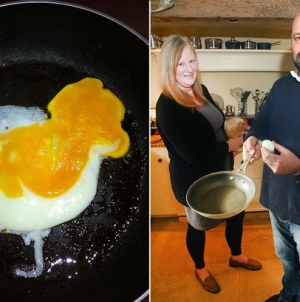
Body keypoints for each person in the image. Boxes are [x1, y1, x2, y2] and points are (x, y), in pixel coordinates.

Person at [155, 35, 262, 294]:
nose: (189, 68)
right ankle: (200, 268)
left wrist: (232, 130)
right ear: (168, 68)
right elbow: (194, 155)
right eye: (180, 64)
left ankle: (236, 255)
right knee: (198, 225)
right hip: (194, 180)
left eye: (192, 61)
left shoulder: (200, 91)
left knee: (236, 215)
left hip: (220, 170)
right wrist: (231, 145)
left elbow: (213, 124)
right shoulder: (168, 107)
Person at [243, 12, 300, 302]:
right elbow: (259, 125)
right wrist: (251, 138)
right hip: (277, 202)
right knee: (288, 262)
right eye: (298, 37)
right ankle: (289, 297)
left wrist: (298, 167)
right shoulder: (280, 87)